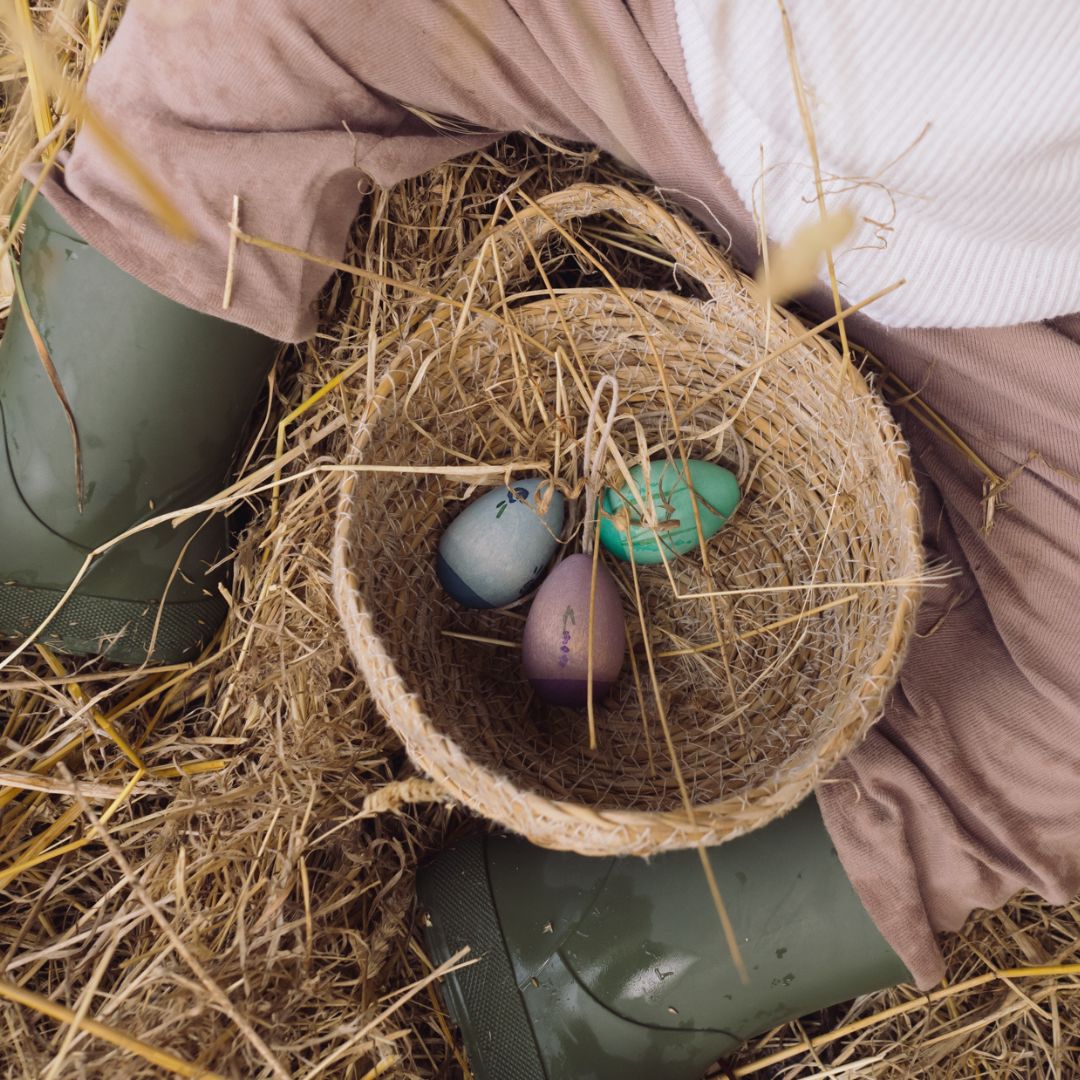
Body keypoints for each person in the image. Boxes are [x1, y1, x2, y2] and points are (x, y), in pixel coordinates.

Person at [2, 2, 1078, 1076]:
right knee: (237, 31)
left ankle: (586, 965)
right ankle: (78, 519)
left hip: (1012, 305)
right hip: (681, 48)